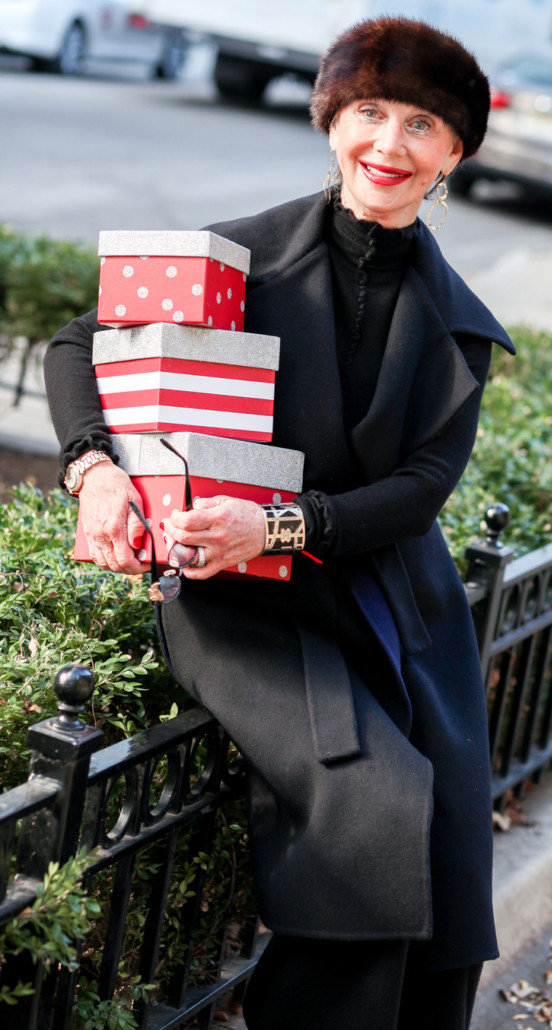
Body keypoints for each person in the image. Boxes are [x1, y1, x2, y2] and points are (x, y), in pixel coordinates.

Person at [44, 17, 514, 1030]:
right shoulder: (235, 256)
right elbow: (77, 343)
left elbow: (422, 488)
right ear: (332, 120)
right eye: (368, 112)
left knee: (448, 838)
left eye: (421, 124)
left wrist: (286, 523)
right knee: (371, 803)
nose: (388, 143)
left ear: (454, 152)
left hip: (389, 590)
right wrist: (94, 471)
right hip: (239, 595)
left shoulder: (456, 319)